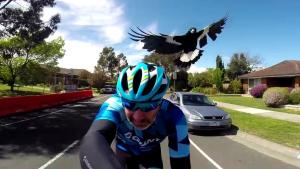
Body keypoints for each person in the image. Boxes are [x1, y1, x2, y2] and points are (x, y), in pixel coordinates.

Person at [79, 62, 191, 169]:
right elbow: (93, 138)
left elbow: (181, 164)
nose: (138, 117)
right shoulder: (114, 104)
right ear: (122, 101)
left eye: (149, 106)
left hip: (150, 156)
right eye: (129, 104)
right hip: (124, 152)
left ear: (160, 102)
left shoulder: (175, 117)